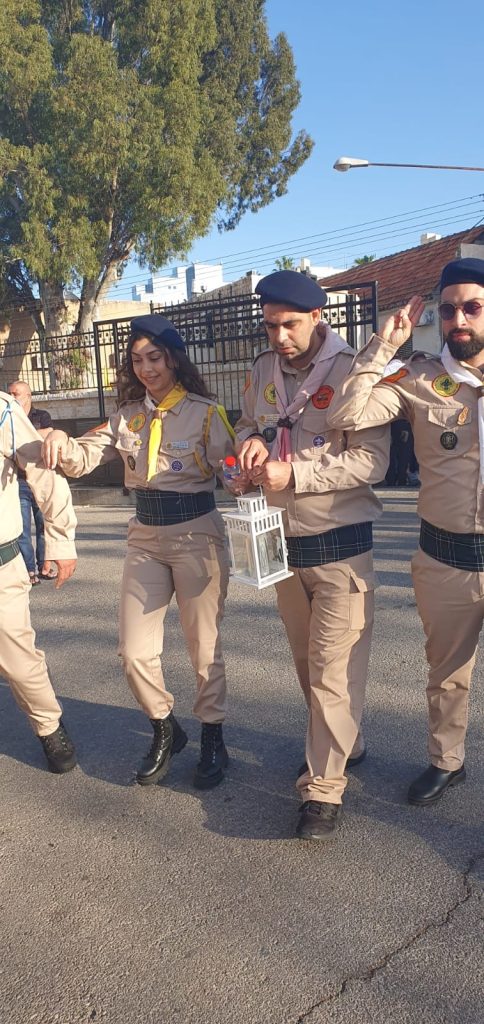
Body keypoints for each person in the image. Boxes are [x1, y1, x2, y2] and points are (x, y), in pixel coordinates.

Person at [43, 314, 235, 790]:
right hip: (145, 536)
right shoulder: (126, 415)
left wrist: (245, 470)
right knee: (133, 651)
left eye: (155, 358)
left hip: (196, 534)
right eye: (137, 360)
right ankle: (165, 727)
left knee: (203, 648)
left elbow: (233, 472)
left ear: (174, 359)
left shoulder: (206, 412)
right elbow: (82, 457)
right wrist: (58, 439)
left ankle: (213, 736)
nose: (146, 368)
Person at [234, 270, 389, 840]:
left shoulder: (354, 371)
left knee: (330, 674)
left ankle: (322, 790)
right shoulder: (262, 368)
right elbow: (248, 423)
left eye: (290, 325)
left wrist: (294, 473)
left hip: (341, 548)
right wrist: (250, 445)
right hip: (281, 548)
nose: (279, 336)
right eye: (270, 326)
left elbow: (372, 460)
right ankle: (347, 741)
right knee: (308, 667)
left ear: (318, 317)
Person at [326, 256, 484, 807]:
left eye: (473, 308)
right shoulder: (417, 377)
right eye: (449, 309)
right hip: (447, 558)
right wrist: (381, 347)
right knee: (448, 673)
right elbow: (345, 416)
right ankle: (447, 760)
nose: (458, 319)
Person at [0, 390, 77, 772]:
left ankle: (48, 725)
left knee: (18, 662)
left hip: (1, 564)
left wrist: (60, 541)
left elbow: (43, 474)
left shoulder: (2, 411)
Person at [8, 380, 55, 584]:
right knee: (23, 530)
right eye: (9, 393)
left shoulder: (41, 416)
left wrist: (20, 438)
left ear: (28, 396)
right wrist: (35, 438)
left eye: (16, 393)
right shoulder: (8, 417)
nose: (12, 397)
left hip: (41, 479)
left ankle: (45, 566)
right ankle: (29, 570)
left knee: (44, 527)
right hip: (18, 482)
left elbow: (49, 435)